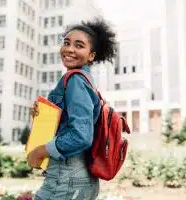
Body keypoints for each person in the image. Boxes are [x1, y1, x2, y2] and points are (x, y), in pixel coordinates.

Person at [28, 17, 117, 200]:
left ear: (91, 55)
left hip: (67, 179)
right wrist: (43, 116)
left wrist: (40, 151)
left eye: (79, 45)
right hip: (78, 177)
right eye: (66, 43)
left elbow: (81, 135)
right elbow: (71, 123)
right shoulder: (84, 80)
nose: (69, 49)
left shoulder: (76, 80)